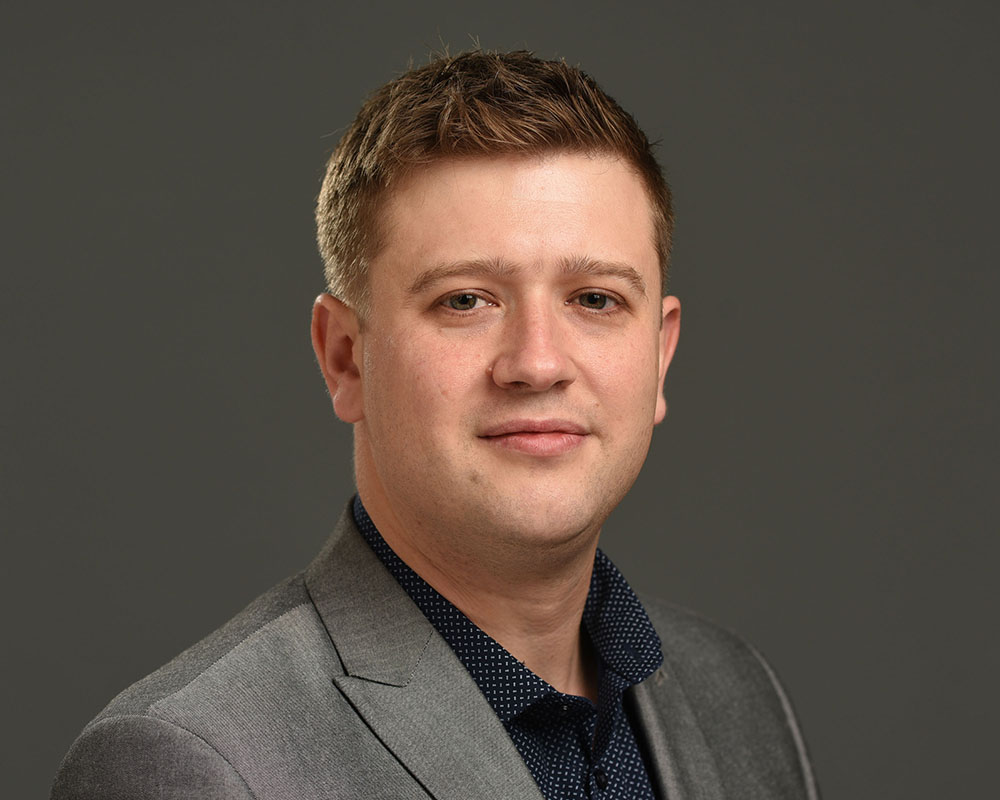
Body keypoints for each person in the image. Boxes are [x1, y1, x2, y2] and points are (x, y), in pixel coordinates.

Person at [52, 50, 819, 799]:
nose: (537, 363)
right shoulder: (193, 765)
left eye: (595, 299)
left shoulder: (736, 697)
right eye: (465, 300)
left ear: (660, 355)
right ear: (346, 358)